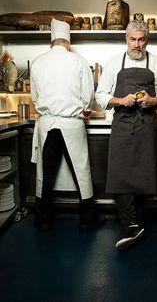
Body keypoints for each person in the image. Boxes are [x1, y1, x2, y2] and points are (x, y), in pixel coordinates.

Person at [95, 20, 157, 251]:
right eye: (133, 39)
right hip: (121, 124)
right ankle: (129, 223)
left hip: (146, 124)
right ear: (126, 39)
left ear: (147, 40)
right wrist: (121, 100)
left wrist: (153, 100)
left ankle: (133, 223)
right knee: (120, 172)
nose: (137, 45)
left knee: (142, 172)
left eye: (141, 39)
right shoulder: (113, 64)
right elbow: (101, 96)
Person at [30, 18, 105, 232]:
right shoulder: (78, 61)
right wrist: (85, 109)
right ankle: (87, 219)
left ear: (51, 43)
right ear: (68, 43)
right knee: (81, 172)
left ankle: (43, 220)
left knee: (45, 174)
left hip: (46, 123)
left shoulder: (38, 62)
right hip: (72, 123)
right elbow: (87, 97)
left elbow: (35, 97)